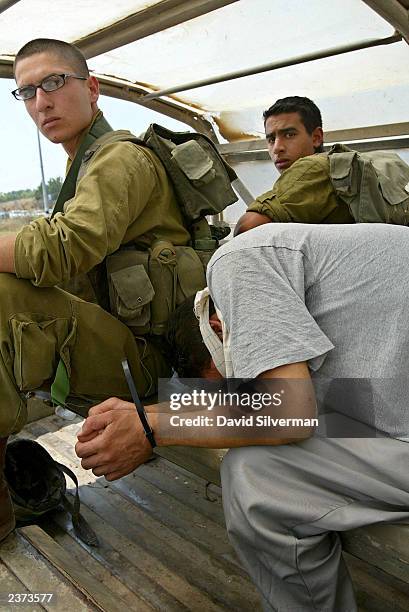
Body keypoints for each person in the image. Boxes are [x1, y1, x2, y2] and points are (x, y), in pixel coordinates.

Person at [76, 222, 409, 611]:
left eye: (236, 384)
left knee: (255, 476)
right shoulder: (321, 288)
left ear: (217, 326)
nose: (244, 396)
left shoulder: (237, 262)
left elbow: (288, 413)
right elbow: (311, 406)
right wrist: (146, 412)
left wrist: (152, 429)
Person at [0, 38, 205, 542]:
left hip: (155, 366)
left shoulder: (119, 159)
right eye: (26, 92)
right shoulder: (82, 166)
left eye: (53, 82)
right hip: (122, 349)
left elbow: (61, 249)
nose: (41, 101)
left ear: (92, 89)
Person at [234, 96, 354, 235]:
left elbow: (246, 228)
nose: (277, 148)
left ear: (316, 138)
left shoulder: (313, 167)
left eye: (289, 135)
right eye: (271, 139)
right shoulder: (335, 167)